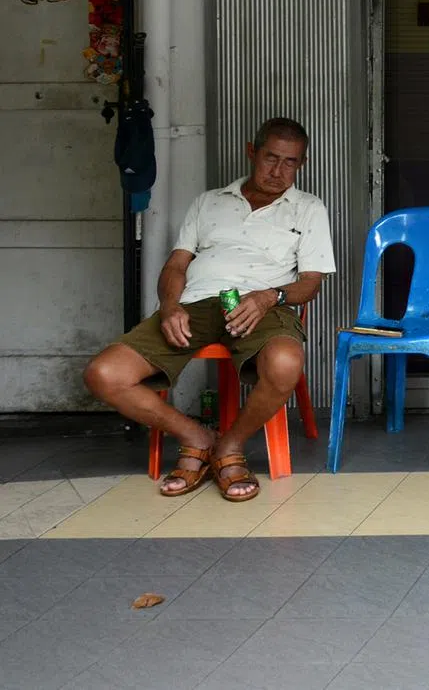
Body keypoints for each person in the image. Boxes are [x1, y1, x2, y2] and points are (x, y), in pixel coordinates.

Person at [83, 117, 335, 501]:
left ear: (301, 164)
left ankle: (230, 446)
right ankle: (196, 436)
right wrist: (169, 307)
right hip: (196, 305)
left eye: (290, 162)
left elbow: (310, 283)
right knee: (103, 374)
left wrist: (269, 296)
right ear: (252, 153)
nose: (279, 171)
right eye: (271, 158)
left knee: (286, 363)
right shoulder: (209, 202)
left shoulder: (308, 208)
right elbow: (177, 265)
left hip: (263, 305)